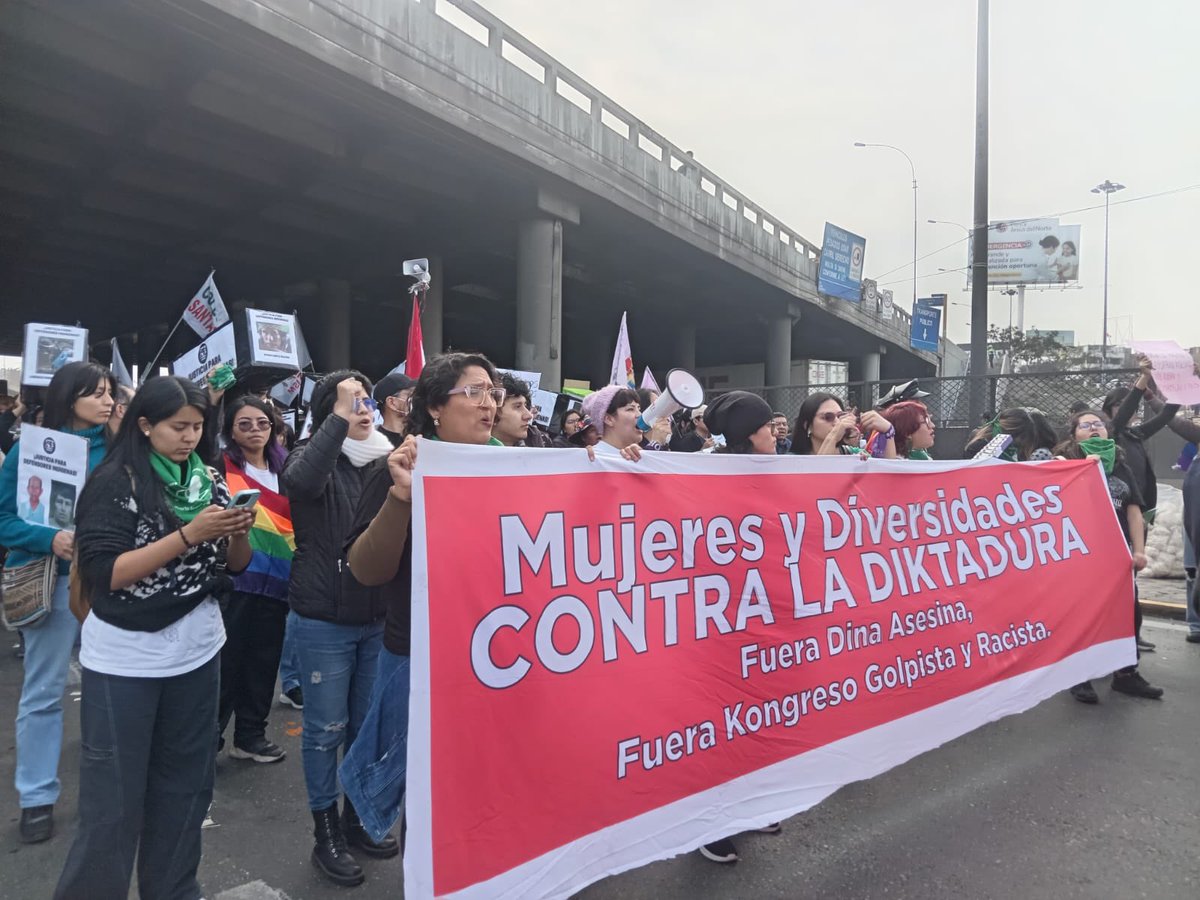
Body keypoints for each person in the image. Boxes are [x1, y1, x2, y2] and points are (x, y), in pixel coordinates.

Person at [53, 375, 254, 899]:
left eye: (197, 426)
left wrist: (237, 529)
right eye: (177, 427)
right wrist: (188, 534)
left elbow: (238, 563)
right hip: (127, 659)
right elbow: (105, 572)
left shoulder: (209, 478)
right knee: (113, 803)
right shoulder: (114, 481)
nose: (189, 437)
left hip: (198, 649)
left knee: (187, 789)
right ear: (144, 425)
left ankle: (174, 890)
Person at [339, 352, 505, 850]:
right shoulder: (401, 466)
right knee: (433, 800)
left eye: (492, 393)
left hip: (500, 658)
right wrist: (401, 499)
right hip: (422, 656)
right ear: (434, 406)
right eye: (473, 393)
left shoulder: (514, 465)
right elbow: (366, 570)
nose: (488, 405)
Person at [281, 370, 396, 886]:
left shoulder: (389, 457)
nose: (364, 408)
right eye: (351, 400)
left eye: (366, 399)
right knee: (325, 732)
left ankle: (357, 819)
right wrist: (336, 419)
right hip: (323, 620)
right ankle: (324, 831)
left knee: (365, 728)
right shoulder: (313, 457)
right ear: (328, 410)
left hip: (376, 619)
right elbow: (300, 484)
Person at [0, 361, 114, 844]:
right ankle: (37, 796)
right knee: (44, 692)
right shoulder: (26, 448)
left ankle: (107, 789)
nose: (109, 401)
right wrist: (50, 539)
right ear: (70, 398)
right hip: (51, 583)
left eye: (111, 393)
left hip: (111, 584)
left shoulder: (122, 449)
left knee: (111, 690)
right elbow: (5, 519)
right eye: (98, 393)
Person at [693, 390, 783, 862]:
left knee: (757, 723)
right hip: (720, 625)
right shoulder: (709, 474)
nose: (777, 433)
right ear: (751, 434)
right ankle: (708, 825)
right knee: (720, 729)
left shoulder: (778, 471)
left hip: (763, 620)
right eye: (769, 427)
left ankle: (748, 807)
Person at [1053, 410, 1163, 702]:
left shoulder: (1121, 465)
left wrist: (1138, 550)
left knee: (1128, 614)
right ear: (1074, 433)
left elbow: (1134, 510)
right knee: (1085, 617)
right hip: (1081, 557)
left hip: (1117, 557)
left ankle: (1126, 674)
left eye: (1098, 424)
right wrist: (1084, 471)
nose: (1093, 429)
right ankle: (1079, 677)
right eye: (1085, 425)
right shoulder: (1063, 464)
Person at [216, 395, 294, 764]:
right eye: (244, 424)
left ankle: (250, 736)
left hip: (277, 580)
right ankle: (209, 736)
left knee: (264, 661)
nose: (255, 431)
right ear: (230, 430)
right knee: (227, 662)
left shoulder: (287, 469)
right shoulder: (220, 466)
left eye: (262, 423)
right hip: (236, 580)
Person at [790, 393, 895, 457]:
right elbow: (819, 473)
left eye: (840, 416)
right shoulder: (791, 461)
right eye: (828, 417)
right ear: (807, 425)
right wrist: (835, 434)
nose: (837, 422)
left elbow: (887, 473)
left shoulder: (853, 454)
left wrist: (888, 430)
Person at [963, 407, 1057, 461]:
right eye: (1024, 438)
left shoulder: (1012, 451)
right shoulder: (981, 447)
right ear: (1016, 434)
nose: (1023, 443)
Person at [580, 384, 644, 459]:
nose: (640, 414)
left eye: (639, 408)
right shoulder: (589, 458)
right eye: (630, 409)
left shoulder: (641, 457)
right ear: (608, 419)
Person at [492, 371, 537, 447]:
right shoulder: (470, 455)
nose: (529, 416)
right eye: (517, 406)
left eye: (526, 406)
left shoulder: (533, 449)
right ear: (493, 410)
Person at [373, 372, 415, 447]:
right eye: (409, 394)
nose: (415, 399)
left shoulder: (420, 437)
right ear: (392, 402)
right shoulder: (375, 444)